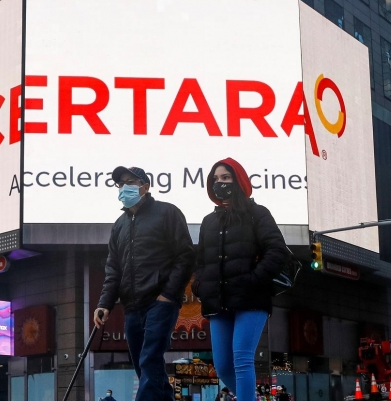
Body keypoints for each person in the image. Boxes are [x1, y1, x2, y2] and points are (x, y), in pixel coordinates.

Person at [95, 166, 196, 401]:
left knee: (149, 357)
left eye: (131, 181)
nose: (125, 187)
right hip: (132, 306)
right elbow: (113, 269)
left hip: (160, 302)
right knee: (146, 366)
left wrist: (169, 295)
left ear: (146, 186)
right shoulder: (119, 225)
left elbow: (186, 256)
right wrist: (104, 303)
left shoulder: (167, 213)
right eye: (121, 184)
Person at [193, 158, 289, 401]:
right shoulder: (209, 221)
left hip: (251, 298)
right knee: (223, 365)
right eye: (215, 179)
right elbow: (200, 261)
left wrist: (254, 279)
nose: (219, 183)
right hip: (218, 301)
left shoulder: (257, 213)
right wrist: (200, 285)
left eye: (225, 178)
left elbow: (276, 250)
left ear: (239, 181)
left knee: (242, 359)